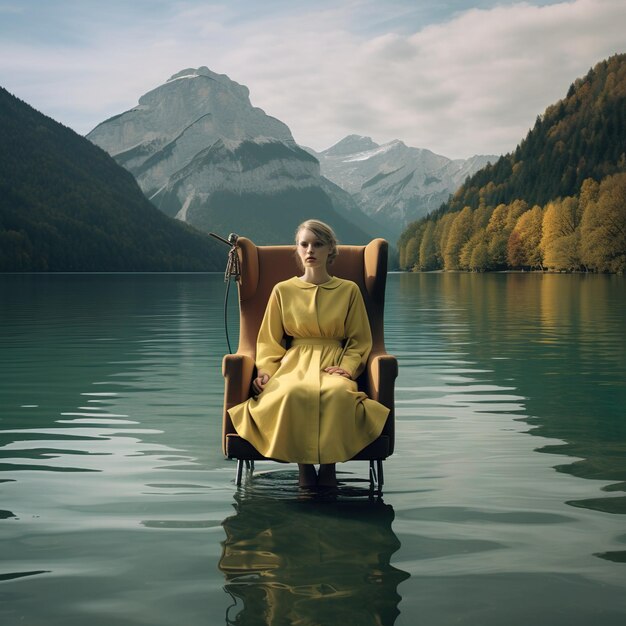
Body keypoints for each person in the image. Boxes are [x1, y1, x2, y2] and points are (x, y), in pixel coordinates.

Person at [228, 220, 389, 488]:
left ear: (330, 249)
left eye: (318, 244)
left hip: (333, 362)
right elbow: (269, 341)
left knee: (337, 394)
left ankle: (329, 468)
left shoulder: (348, 290)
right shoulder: (283, 290)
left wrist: (348, 368)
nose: (310, 250)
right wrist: (265, 372)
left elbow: (360, 340)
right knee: (291, 392)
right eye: (304, 244)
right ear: (298, 249)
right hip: (294, 363)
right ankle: (304, 469)